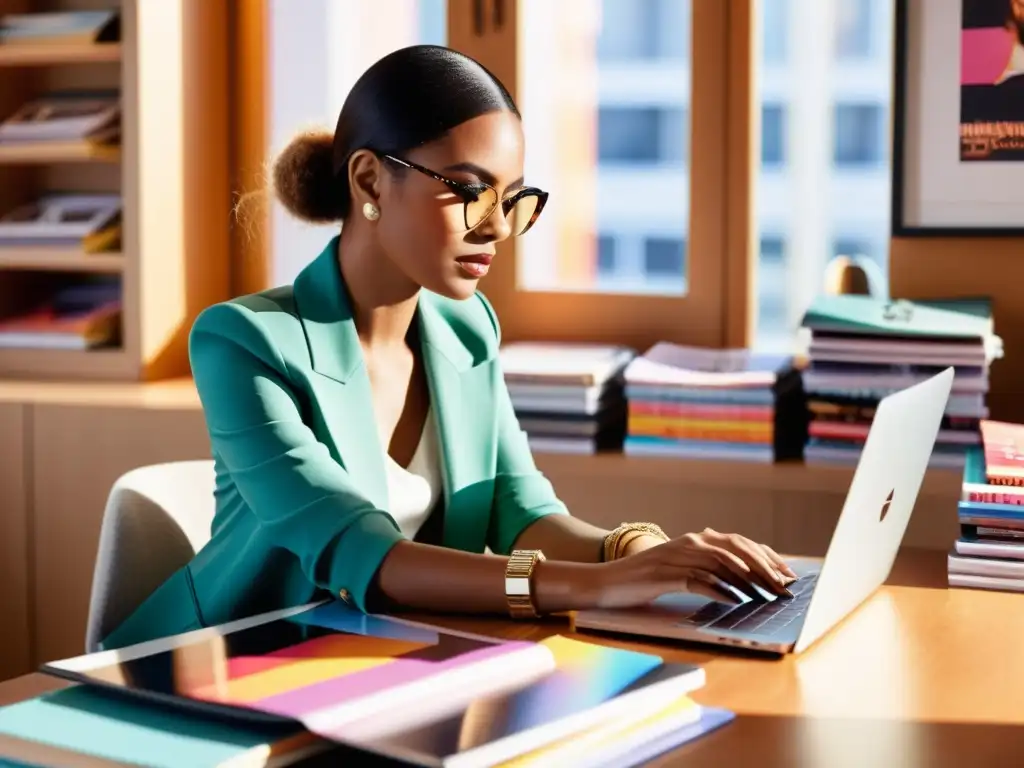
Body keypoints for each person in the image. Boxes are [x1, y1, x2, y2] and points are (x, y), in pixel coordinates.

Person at [101, 45, 796, 651]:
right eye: (469, 190)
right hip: (216, 669)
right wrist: (601, 584)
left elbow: (521, 513)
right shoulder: (243, 343)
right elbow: (363, 553)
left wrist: (648, 553)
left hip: (381, 663)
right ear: (370, 180)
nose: (496, 227)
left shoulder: (467, 331)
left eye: (512, 198)